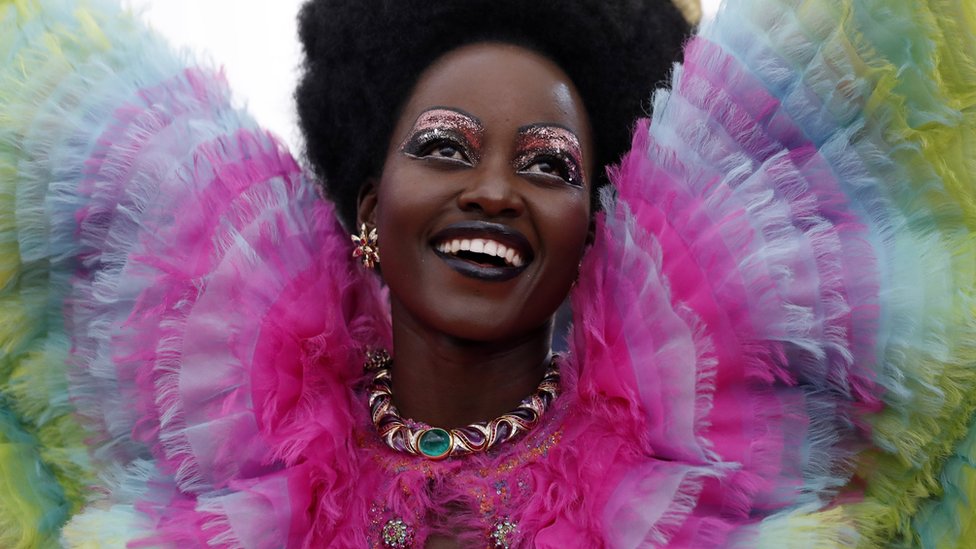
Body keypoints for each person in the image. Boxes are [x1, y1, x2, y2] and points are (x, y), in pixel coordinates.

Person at [2, 0, 975, 547]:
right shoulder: (240, 457)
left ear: (592, 232)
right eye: (444, 148)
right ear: (371, 211)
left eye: (548, 164)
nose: (496, 191)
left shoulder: (682, 492)